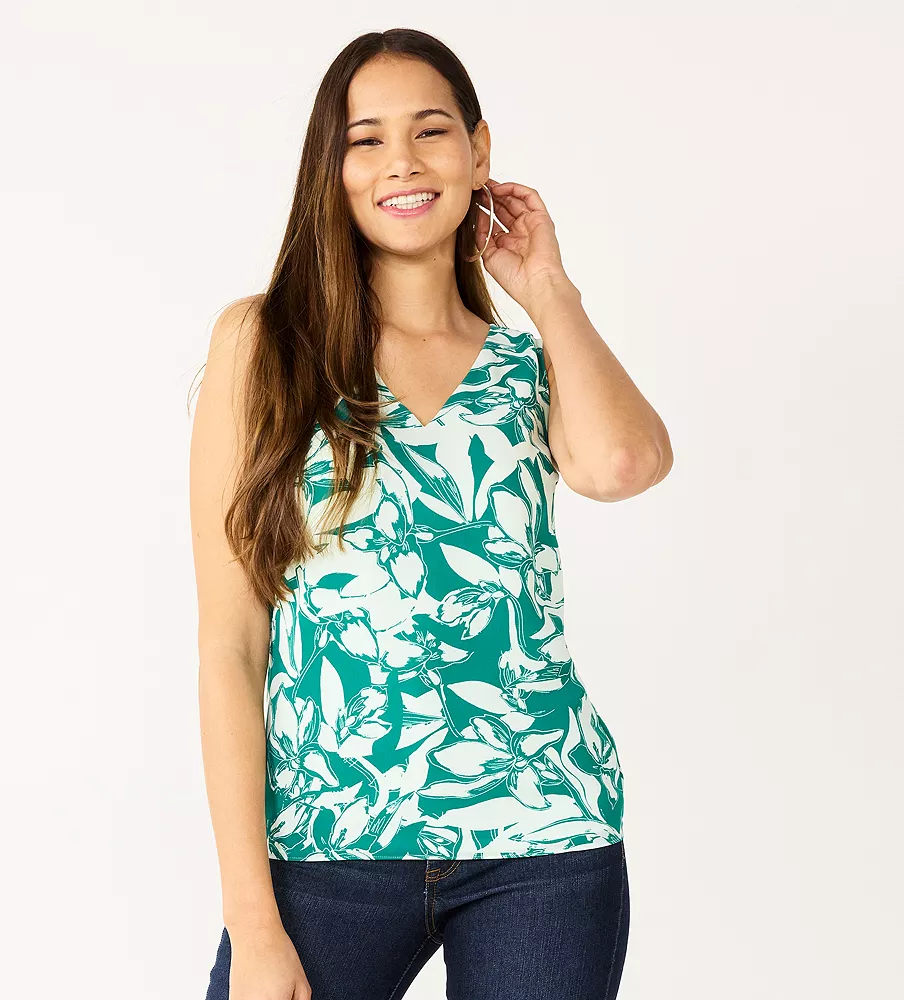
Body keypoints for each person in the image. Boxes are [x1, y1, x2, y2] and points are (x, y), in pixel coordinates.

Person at [190, 27, 672, 1000]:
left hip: (542, 837)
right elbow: (231, 644)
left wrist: (547, 290)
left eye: (431, 130)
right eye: (366, 139)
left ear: (478, 152)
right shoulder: (264, 344)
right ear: (330, 170)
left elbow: (622, 464)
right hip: (325, 844)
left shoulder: (527, 363)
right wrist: (253, 920)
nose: (402, 161)